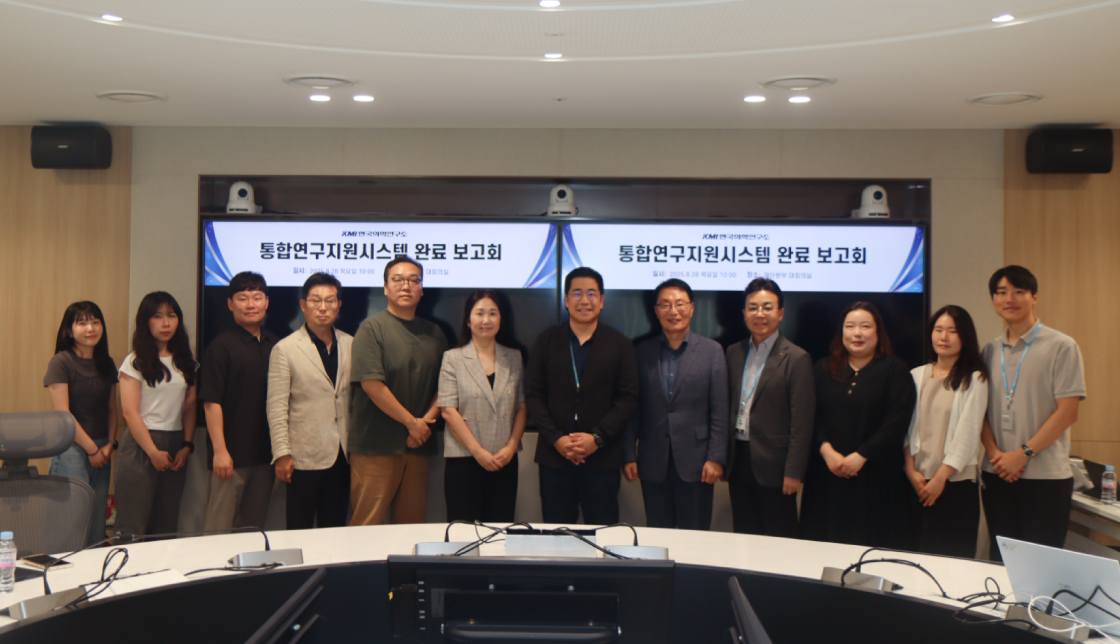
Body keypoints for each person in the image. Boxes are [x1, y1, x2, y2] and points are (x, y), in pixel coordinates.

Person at [979, 266, 1085, 559]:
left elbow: (1068, 413)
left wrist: (1021, 454)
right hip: (997, 474)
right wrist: (995, 455)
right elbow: (979, 412)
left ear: (1034, 296)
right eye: (1001, 292)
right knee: (1001, 563)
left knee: (1041, 566)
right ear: (993, 300)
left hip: (1046, 477)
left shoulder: (1062, 346)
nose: (1009, 299)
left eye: (1018, 291)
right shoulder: (989, 351)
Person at [526, 267, 639, 525]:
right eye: (577, 293)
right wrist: (556, 438)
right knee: (557, 532)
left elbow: (628, 398)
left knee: (602, 533)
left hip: (602, 458)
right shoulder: (547, 341)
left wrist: (597, 438)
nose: (584, 300)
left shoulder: (620, 344)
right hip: (555, 458)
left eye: (591, 293)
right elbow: (533, 395)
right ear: (566, 300)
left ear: (602, 300)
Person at [799, 302, 916, 548]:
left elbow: (897, 422)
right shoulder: (822, 369)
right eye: (850, 326)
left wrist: (862, 456)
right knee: (822, 552)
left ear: (878, 332)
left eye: (865, 326)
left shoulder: (895, 371)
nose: (857, 333)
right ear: (841, 332)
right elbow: (810, 415)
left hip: (875, 481)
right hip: (827, 478)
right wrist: (825, 450)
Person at [349, 256, 448, 525]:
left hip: (418, 445)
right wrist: (412, 423)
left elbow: (445, 386)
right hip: (376, 445)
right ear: (385, 288)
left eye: (413, 280)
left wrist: (424, 423)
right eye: (398, 280)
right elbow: (372, 385)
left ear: (422, 289)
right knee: (366, 525)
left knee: (411, 526)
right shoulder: (371, 329)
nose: (406, 286)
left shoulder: (435, 333)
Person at [622, 279, 727, 530]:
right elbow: (633, 408)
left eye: (680, 304)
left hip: (698, 462)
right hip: (652, 459)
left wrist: (716, 458)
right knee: (658, 532)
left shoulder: (712, 351)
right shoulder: (641, 352)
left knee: (696, 535)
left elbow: (720, 411)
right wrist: (629, 454)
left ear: (691, 308)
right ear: (656, 311)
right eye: (665, 305)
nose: (673, 311)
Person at [723, 279, 814, 538]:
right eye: (752, 307)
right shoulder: (733, 352)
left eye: (767, 307)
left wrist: (794, 472)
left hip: (777, 468)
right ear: (744, 313)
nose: (759, 314)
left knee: (779, 539)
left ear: (780, 313)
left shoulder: (797, 358)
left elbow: (802, 422)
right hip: (739, 462)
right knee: (744, 534)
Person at [268, 273, 353, 530]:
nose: (323, 307)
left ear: (339, 305)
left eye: (330, 300)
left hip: (343, 453)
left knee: (335, 526)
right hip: (303, 456)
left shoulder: (351, 343)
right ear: (303, 305)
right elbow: (276, 406)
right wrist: (282, 453)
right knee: (299, 527)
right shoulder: (286, 349)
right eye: (316, 300)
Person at [904, 305, 989, 558]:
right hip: (916, 483)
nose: (944, 337)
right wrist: (909, 469)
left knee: (953, 559)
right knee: (913, 557)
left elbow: (969, 433)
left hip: (955, 484)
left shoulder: (976, 379)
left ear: (965, 336)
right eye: (938, 330)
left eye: (952, 331)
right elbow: (905, 430)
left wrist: (940, 478)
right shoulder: (915, 375)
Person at [437, 290, 527, 522]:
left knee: (499, 531)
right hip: (464, 459)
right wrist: (478, 452)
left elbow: (521, 407)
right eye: (479, 313)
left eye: (492, 314)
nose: (486, 320)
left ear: (501, 319)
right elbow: (448, 410)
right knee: (463, 532)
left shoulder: (514, 356)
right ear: (468, 320)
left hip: (504, 459)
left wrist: (512, 446)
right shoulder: (453, 358)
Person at [200, 272, 279, 531]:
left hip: (265, 457)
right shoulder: (221, 346)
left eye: (257, 297)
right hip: (231, 458)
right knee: (219, 529)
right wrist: (220, 451)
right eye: (243, 298)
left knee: (253, 530)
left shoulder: (276, 345)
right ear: (230, 304)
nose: (251, 304)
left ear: (267, 302)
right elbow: (211, 402)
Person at [116, 292, 198, 537]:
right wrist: (153, 452)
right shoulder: (134, 361)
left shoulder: (187, 362)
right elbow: (130, 412)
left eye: (171, 316)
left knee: (166, 525)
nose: (166, 323)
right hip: (141, 444)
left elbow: (190, 406)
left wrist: (186, 446)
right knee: (133, 523)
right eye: (158, 316)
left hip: (175, 444)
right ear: (146, 322)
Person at [44, 301, 119, 545]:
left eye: (95, 321)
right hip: (71, 449)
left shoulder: (106, 363)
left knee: (96, 525)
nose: (91, 328)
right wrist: (93, 450)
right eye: (82, 322)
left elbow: (111, 409)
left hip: (101, 449)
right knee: (72, 525)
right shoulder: (61, 362)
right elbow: (64, 414)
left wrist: (109, 444)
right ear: (69, 330)